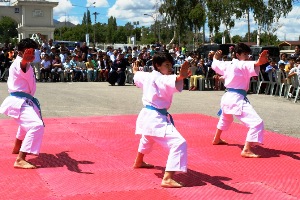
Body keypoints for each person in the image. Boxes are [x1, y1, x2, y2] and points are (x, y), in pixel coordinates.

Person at [132, 52, 190, 188]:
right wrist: (181, 75)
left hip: (147, 115)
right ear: (157, 65)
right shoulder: (161, 79)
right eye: (167, 65)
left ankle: (139, 161)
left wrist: (135, 70)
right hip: (155, 118)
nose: (170, 68)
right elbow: (173, 79)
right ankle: (168, 178)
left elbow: (137, 75)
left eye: (171, 64)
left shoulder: (147, 75)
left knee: (147, 137)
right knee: (179, 143)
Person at [211, 43, 269, 158]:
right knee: (257, 122)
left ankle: (216, 139)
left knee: (225, 118)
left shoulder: (228, 64)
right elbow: (253, 64)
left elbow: (216, 64)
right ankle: (246, 149)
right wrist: (259, 62)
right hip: (236, 99)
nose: (247, 56)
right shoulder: (241, 64)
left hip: (227, 97)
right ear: (237, 54)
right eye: (245, 54)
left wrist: (214, 58)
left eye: (248, 54)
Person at [0, 38, 44, 169]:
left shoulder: (25, 63)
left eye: (33, 52)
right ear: (21, 52)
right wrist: (24, 59)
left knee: (25, 125)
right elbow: (22, 65)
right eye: (29, 52)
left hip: (25, 100)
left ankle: (17, 147)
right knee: (36, 125)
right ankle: (20, 158)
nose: (32, 54)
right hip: (19, 101)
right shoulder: (20, 62)